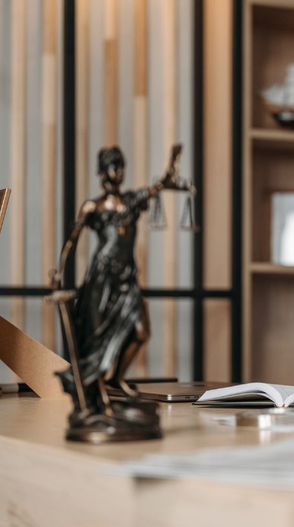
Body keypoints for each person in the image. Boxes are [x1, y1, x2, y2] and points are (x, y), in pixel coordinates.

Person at [51, 144, 191, 419]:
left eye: (121, 166)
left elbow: (159, 185)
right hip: (102, 279)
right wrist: (59, 271)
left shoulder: (131, 200)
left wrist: (172, 164)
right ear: (102, 172)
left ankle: (116, 378)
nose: (119, 172)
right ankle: (98, 394)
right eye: (114, 166)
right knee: (98, 340)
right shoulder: (93, 206)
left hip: (127, 277)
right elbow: (72, 241)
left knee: (141, 332)